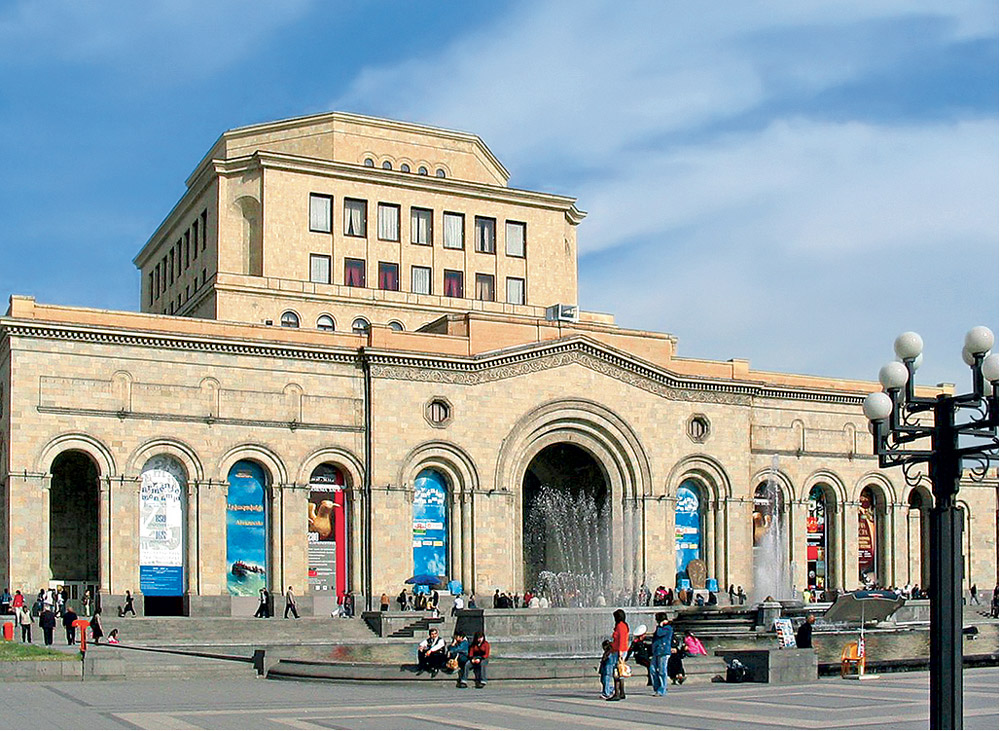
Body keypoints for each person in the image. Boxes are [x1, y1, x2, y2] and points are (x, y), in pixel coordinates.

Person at [607, 608, 630, 700]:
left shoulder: (621, 626)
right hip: (619, 650)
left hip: (620, 651)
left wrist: (620, 651)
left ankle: (617, 693)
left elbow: (622, 639)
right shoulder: (623, 625)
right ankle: (621, 692)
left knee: (617, 672)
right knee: (620, 672)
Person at [650, 612, 673, 695]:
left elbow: (660, 634)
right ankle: (657, 687)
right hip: (656, 651)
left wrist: (660, 625)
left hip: (663, 651)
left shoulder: (668, 628)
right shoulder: (660, 628)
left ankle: (662, 689)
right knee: (652, 669)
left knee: (662, 670)